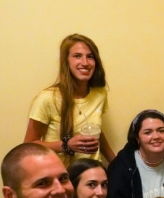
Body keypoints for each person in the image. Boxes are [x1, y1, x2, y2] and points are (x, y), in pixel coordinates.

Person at [24, 33, 115, 167]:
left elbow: (97, 131)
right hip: (60, 176)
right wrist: (66, 145)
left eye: (90, 57)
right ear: (66, 61)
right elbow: (29, 145)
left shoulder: (100, 94)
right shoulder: (47, 98)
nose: (85, 63)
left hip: (91, 175)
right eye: (77, 56)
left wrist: (115, 162)